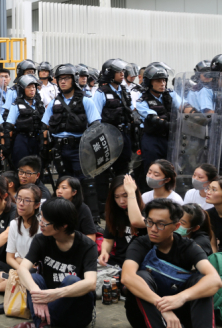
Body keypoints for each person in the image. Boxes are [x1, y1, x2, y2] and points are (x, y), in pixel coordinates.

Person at [122, 199, 221, 328]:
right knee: (140, 277)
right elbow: (127, 277)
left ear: (176, 226)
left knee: (202, 281)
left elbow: (215, 280)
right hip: (144, 320)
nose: (153, 229)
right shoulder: (140, 243)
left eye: (161, 224)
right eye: (149, 222)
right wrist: (162, 306)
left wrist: (181, 297)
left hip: (182, 321)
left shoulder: (188, 247)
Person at [1, 199, 97, 328]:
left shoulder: (87, 245)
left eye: (45, 223)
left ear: (63, 225)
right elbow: (22, 269)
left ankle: (34, 327)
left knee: (71, 280)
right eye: (40, 218)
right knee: (34, 278)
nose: (40, 224)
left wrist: (54, 294)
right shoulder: (42, 240)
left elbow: (91, 283)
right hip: (45, 304)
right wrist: (37, 293)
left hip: (76, 314)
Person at [42, 63, 102, 217]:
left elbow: (96, 125)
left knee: (85, 182)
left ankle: (92, 217)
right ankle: (65, 215)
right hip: (59, 149)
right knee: (63, 184)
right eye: (60, 79)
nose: (63, 81)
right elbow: (44, 126)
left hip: (80, 149)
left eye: (67, 78)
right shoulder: (54, 102)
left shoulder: (86, 100)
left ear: (73, 79)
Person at [93, 58, 135, 212]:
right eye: (119, 72)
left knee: (122, 170)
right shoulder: (101, 93)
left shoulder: (124, 91)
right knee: (103, 172)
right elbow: (96, 118)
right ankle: (103, 205)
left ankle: (123, 202)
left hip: (123, 135)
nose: (122, 74)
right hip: (107, 136)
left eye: (123, 71)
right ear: (110, 73)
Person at [135, 64, 183, 180]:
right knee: (153, 170)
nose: (163, 84)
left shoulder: (170, 94)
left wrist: (196, 115)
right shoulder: (142, 100)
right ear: (149, 82)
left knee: (171, 169)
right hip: (153, 139)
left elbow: (184, 106)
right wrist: (173, 125)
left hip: (170, 137)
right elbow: (155, 120)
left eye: (164, 80)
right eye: (158, 81)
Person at [99, 175, 146, 267]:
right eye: (116, 197)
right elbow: (108, 240)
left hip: (141, 262)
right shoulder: (114, 213)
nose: (121, 201)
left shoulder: (147, 212)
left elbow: (136, 221)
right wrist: (104, 252)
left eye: (125, 196)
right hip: (120, 261)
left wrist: (131, 192)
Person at [2, 75, 47, 171]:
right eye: (29, 87)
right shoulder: (16, 105)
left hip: (36, 139)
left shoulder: (39, 105)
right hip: (22, 139)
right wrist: (7, 147)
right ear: (22, 89)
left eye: (34, 87)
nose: (32, 90)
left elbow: (45, 125)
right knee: (21, 165)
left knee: (36, 167)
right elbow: (9, 127)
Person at [55, 176, 97, 242]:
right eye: (57, 188)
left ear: (74, 192)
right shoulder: (52, 206)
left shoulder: (83, 209)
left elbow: (91, 236)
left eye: (64, 188)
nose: (59, 191)